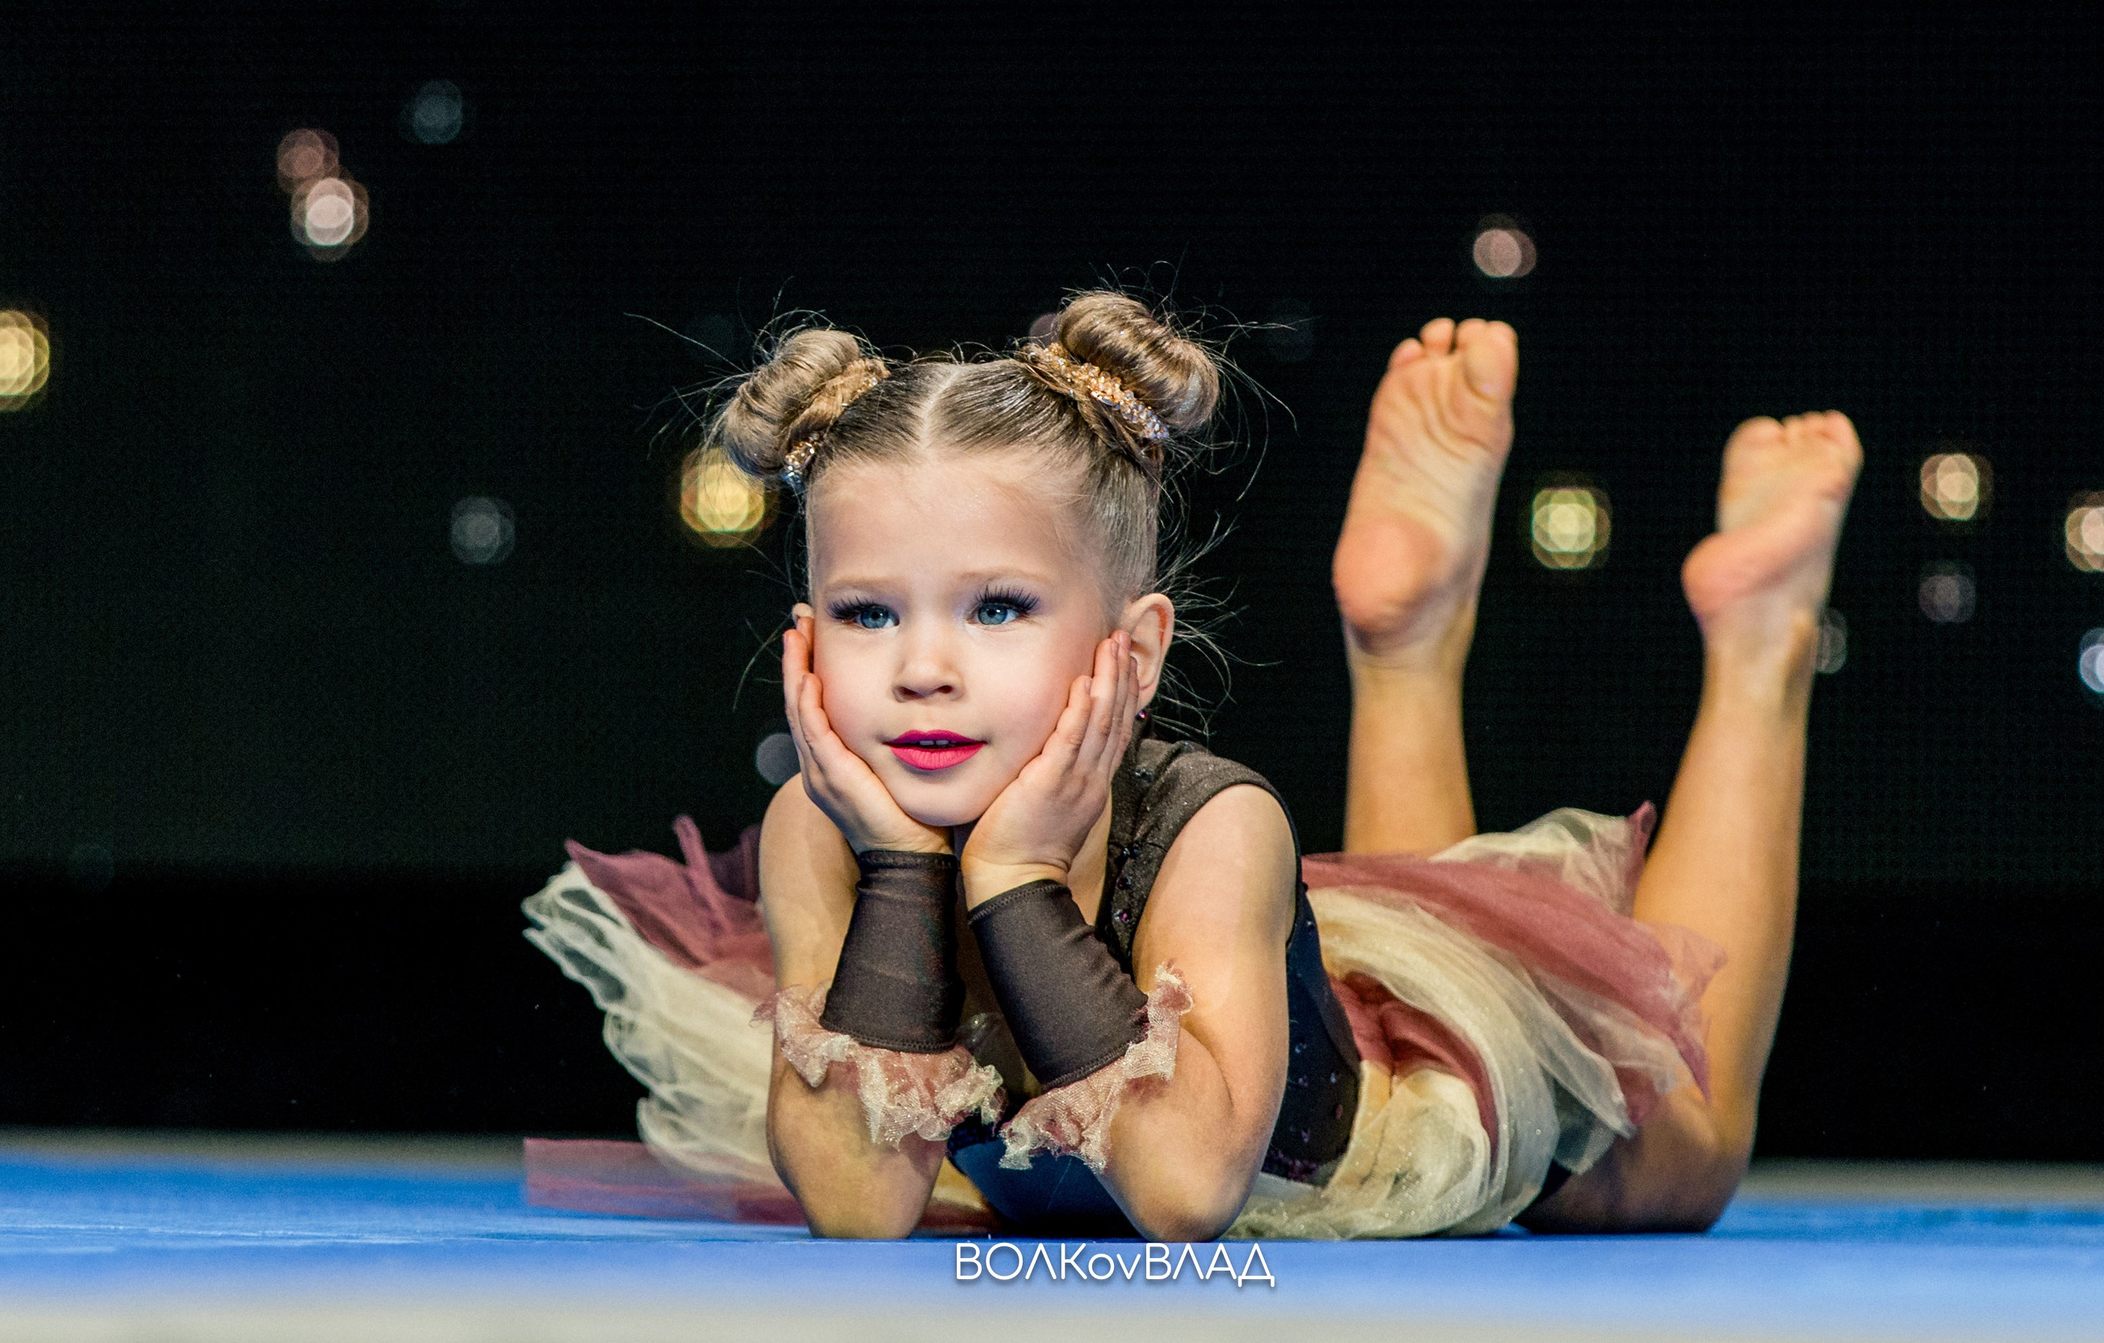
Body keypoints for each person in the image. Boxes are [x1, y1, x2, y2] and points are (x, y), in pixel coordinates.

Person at [522, 294, 1861, 1240]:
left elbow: (1179, 1199)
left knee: (1685, 1146)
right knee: (1407, 908)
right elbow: (863, 1207)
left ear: (1134, 644)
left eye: (997, 609)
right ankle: (1406, 643)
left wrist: (1019, 881)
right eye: (873, 615)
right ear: (805, 643)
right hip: (1198, 1072)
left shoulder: (1217, 824)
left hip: (1383, 1130)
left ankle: (1762, 643)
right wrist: (894, 872)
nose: (924, 667)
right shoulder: (826, 829)